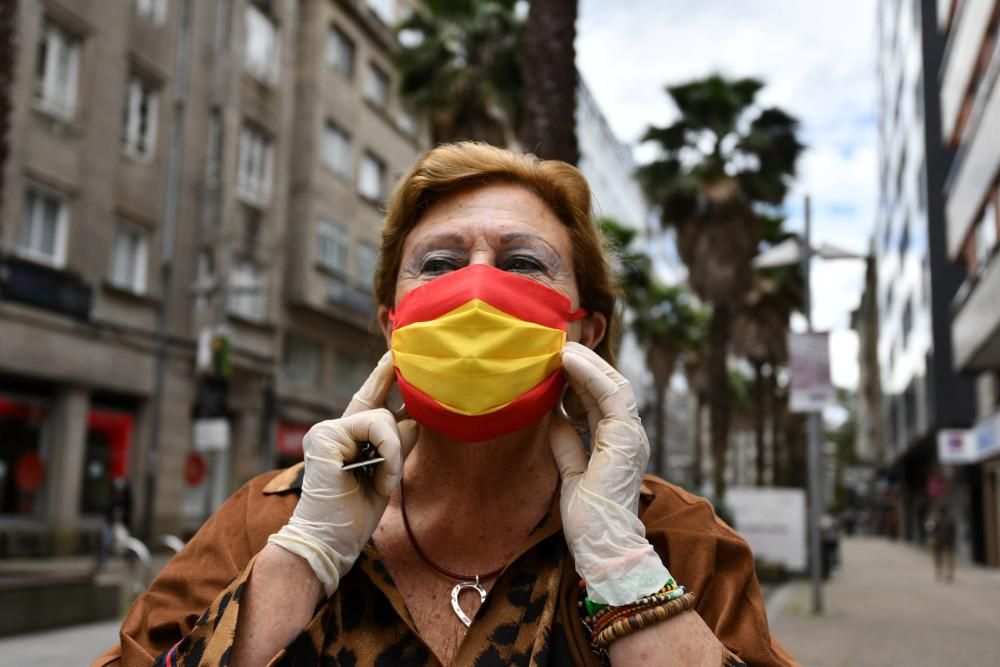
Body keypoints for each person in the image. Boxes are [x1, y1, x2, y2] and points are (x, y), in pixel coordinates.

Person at [92, 143, 796, 667]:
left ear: (587, 329)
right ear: (393, 325)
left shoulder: (674, 537)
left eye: (523, 262)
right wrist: (303, 558)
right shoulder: (268, 517)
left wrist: (621, 567)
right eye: (437, 263)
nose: (478, 288)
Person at [926, 508, 956, 583]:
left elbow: (953, 533)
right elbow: (931, 531)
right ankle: (940, 571)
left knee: (948, 558)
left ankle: (949, 573)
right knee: (940, 558)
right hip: (940, 543)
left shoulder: (947, 522)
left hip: (947, 543)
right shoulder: (936, 522)